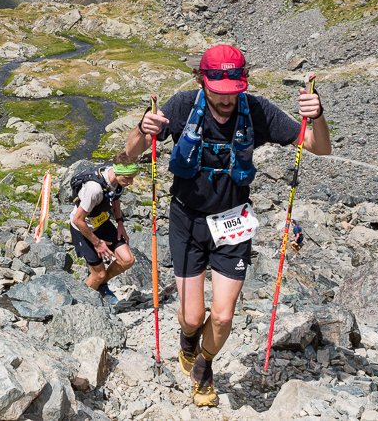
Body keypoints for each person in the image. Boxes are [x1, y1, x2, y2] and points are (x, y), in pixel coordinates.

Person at [125, 43, 330, 407]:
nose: (225, 101)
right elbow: (130, 153)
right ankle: (188, 339)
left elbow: (318, 147)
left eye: (233, 93)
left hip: (233, 222)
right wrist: (143, 129)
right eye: (217, 93)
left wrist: (317, 116)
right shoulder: (183, 106)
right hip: (187, 219)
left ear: (244, 83)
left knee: (221, 317)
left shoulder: (257, 111)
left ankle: (204, 366)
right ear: (203, 82)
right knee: (191, 317)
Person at [68, 152, 139, 306]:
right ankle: (82, 307)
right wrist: (97, 243)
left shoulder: (117, 179)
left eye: (133, 177)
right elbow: (78, 220)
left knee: (128, 260)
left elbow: (116, 198)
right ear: (118, 172)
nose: (131, 182)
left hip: (102, 222)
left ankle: (101, 286)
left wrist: (120, 223)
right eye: (128, 178)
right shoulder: (94, 189)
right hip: (83, 228)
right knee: (98, 274)